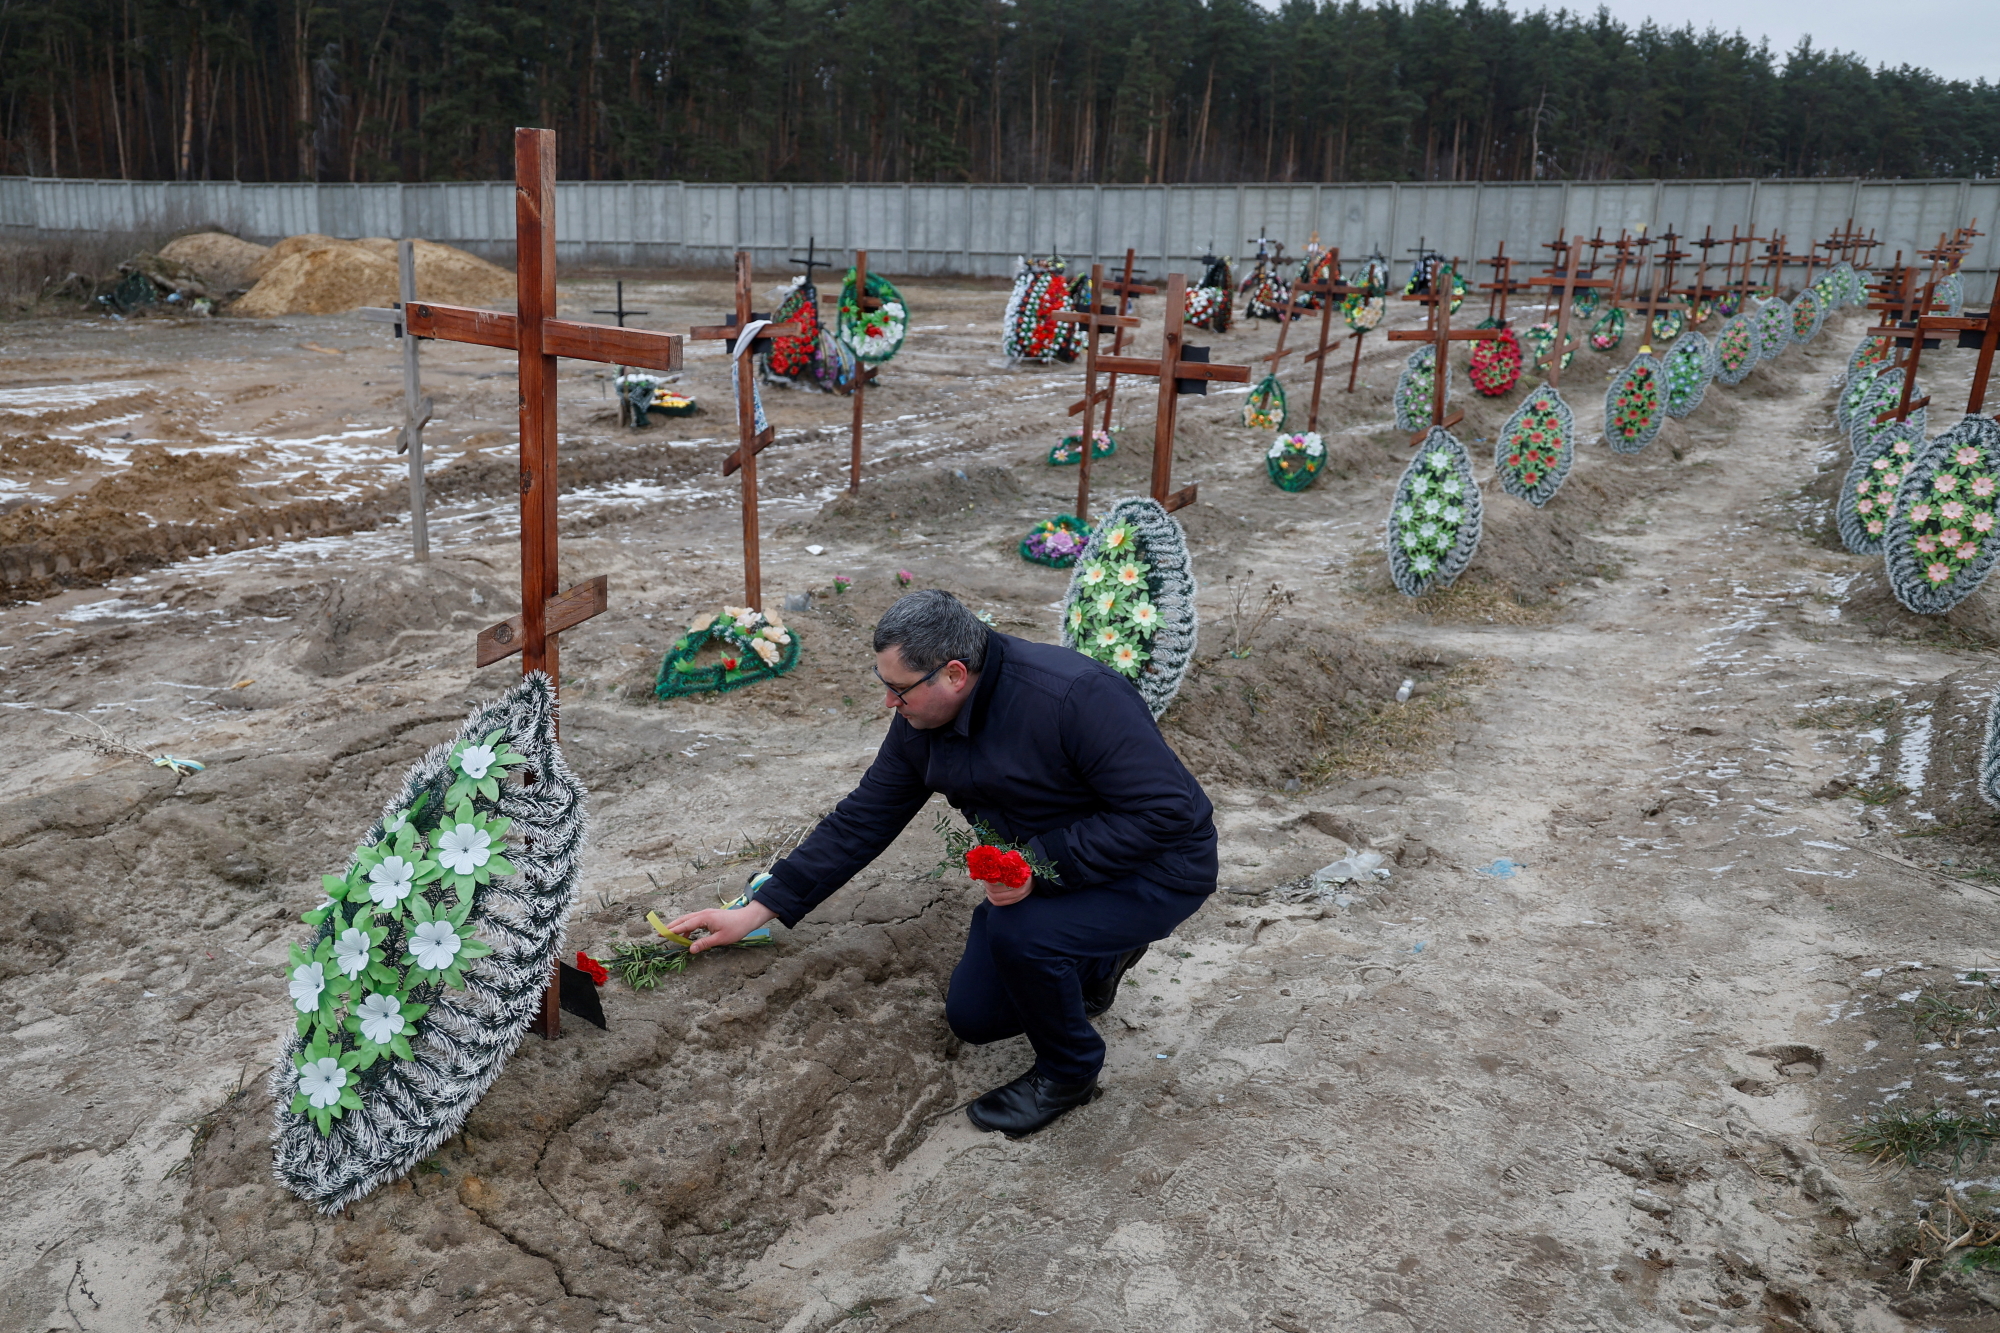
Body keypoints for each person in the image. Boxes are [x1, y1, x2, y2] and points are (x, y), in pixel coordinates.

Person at [662, 588, 1217, 1138]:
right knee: (977, 1019)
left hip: (1157, 868)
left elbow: (1168, 812)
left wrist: (1034, 866)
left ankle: (1069, 1072)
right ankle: (1099, 959)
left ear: (953, 674)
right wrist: (759, 909)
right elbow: (863, 820)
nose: (888, 704)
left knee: (1022, 936)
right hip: (1044, 872)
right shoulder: (921, 723)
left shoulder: (1075, 695)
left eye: (897, 691)